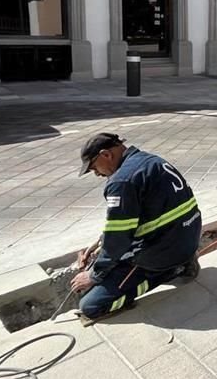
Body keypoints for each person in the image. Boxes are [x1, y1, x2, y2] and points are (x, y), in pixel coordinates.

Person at [71, 133, 202, 320]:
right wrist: (99, 247)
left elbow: (118, 239)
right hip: (187, 238)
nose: (97, 174)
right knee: (110, 259)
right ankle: (183, 260)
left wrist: (94, 274)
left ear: (106, 155)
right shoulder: (150, 160)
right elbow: (130, 221)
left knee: (91, 306)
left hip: (164, 250)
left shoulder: (122, 181)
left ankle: (172, 270)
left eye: (94, 167)